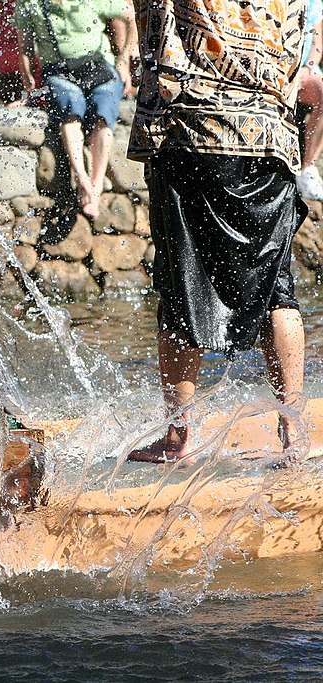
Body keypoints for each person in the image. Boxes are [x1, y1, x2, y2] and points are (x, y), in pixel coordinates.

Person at [126, 0, 307, 462]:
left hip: (192, 128)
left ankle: (177, 437)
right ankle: (294, 433)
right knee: (277, 290)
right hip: (269, 139)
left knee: (181, 284)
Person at [14, 0, 134, 219]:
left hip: (100, 67)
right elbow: (25, 47)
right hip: (60, 73)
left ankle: (95, 188)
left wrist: (123, 61)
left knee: (103, 117)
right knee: (71, 111)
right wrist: (28, 82)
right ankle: (81, 178)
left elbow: (130, 15)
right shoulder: (30, 4)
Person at [297, 0, 323, 200]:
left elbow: (317, 43)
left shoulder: (313, 2)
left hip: (302, 72)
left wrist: (307, 67)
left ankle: (307, 168)